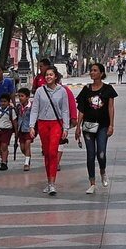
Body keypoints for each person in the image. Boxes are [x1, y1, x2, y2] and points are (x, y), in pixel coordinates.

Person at [32, 66, 73, 195]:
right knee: (47, 154)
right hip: (43, 123)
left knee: (53, 152)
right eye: (46, 75)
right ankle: (49, 182)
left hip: (56, 123)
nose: (48, 77)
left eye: (51, 74)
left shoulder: (62, 91)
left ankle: (53, 183)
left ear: (56, 76)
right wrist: (32, 126)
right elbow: (35, 109)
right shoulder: (40, 91)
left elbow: (65, 110)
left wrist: (65, 127)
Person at [79, 62, 118, 194]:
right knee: (90, 154)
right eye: (91, 70)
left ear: (101, 73)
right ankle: (92, 183)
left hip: (103, 125)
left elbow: (110, 108)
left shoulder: (108, 90)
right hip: (88, 126)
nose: (92, 73)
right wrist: (78, 127)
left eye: (95, 71)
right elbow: (82, 109)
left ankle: (102, 171)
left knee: (101, 153)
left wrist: (111, 125)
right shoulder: (86, 90)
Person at [0, 91, 18, 171]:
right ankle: (3, 156)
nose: (3, 103)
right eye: (2, 101)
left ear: (8, 102)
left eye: (5, 101)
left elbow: (14, 122)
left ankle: (4, 163)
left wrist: (16, 132)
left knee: (4, 146)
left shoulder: (11, 111)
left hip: (7, 130)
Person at [14, 87, 35, 171]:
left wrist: (33, 128)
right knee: (22, 147)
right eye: (19, 96)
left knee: (27, 145)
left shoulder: (31, 107)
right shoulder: (18, 108)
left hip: (28, 130)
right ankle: (28, 156)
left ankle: (26, 163)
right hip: (21, 130)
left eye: (22, 96)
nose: (20, 98)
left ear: (27, 97)